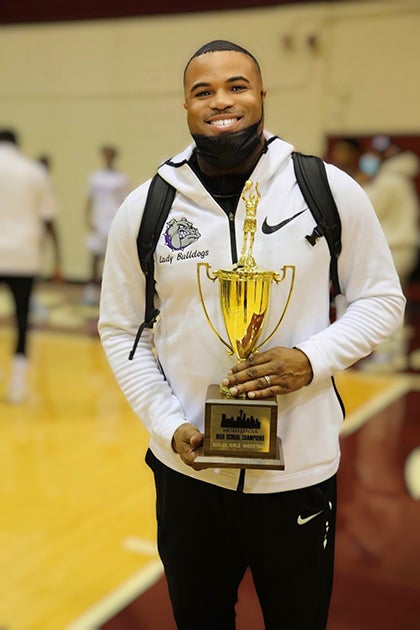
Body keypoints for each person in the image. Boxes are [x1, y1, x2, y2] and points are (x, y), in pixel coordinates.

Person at [98, 41, 405, 629]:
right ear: (185, 106)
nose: (222, 101)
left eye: (237, 86)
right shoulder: (148, 207)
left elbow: (381, 299)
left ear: (262, 95)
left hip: (298, 468)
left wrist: (311, 360)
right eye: (203, 90)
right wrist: (168, 424)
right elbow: (122, 330)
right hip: (189, 468)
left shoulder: (327, 189)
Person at [0, 129, 61, 403]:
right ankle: (17, 384)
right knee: (22, 319)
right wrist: (58, 258)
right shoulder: (33, 171)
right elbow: (49, 218)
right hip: (23, 256)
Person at [359, 136, 420, 370]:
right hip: (404, 247)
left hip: (396, 247)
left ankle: (387, 358)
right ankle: (394, 356)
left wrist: (361, 182)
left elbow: (366, 207)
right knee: (394, 299)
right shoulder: (399, 179)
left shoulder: (389, 181)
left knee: (385, 299)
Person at [84, 145, 130, 304]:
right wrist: (87, 218)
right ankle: (91, 290)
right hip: (99, 220)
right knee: (94, 256)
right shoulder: (95, 177)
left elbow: (125, 201)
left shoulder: (121, 178)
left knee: (113, 256)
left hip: (113, 220)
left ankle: (112, 291)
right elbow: (89, 199)